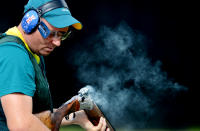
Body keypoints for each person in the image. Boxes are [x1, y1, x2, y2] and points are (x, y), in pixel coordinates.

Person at [0, 0, 109, 130]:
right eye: (51, 33)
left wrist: (75, 117)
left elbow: (26, 115)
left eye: (62, 35)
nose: (57, 43)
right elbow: (22, 126)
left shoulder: (30, 53)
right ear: (30, 21)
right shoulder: (15, 56)